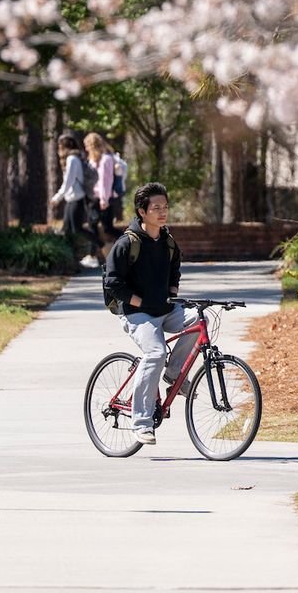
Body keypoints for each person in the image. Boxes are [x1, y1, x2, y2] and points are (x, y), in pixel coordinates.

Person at [102, 182, 198, 445]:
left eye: (165, 207)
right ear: (142, 211)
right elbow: (112, 283)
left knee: (200, 319)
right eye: (156, 207)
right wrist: (140, 302)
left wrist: (172, 291)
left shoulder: (167, 241)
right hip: (136, 314)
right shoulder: (127, 243)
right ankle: (141, 422)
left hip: (163, 309)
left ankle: (174, 373)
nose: (162, 212)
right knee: (155, 353)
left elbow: (175, 267)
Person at [50, 134, 92, 266]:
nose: (58, 149)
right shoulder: (73, 158)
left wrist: (57, 197)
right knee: (67, 230)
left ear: (65, 147)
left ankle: (99, 245)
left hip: (76, 198)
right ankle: (69, 259)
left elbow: (68, 181)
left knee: (77, 229)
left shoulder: (72, 159)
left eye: (60, 146)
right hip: (71, 198)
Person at [84, 132, 123, 243]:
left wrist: (104, 199)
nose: (86, 148)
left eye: (87, 145)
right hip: (93, 198)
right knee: (96, 226)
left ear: (92, 145)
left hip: (102, 199)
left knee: (106, 228)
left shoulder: (106, 159)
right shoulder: (92, 160)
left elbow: (105, 181)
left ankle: (133, 242)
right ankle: (94, 254)